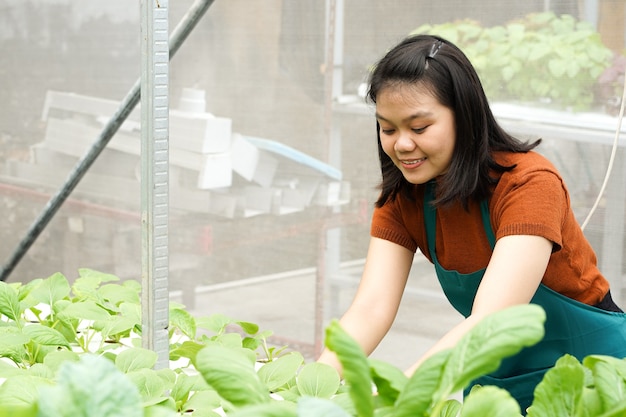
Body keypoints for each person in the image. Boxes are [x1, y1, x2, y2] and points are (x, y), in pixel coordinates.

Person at [316, 34, 626, 412]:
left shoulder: (529, 184)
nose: (402, 145)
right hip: (495, 379)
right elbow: (370, 309)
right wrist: (311, 388)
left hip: (591, 377)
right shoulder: (404, 198)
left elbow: (493, 318)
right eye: (388, 128)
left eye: (419, 127)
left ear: (463, 116)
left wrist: (401, 398)